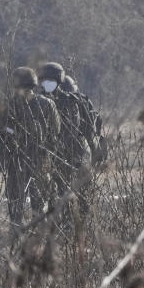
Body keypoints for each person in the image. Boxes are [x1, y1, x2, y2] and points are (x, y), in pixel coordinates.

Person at [2, 67, 59, 225]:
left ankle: (22, 239)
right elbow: (55, 132)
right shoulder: (47, 104)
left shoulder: (11, 105)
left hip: (23, 160)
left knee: (20, 206)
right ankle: (34, 239)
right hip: (31, 160)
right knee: (34, 205)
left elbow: (2, 131)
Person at [39, 62, 90, 213]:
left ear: (59, 81)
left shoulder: (69, 102)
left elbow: (71, 130)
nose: (47, 84)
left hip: (67, 156)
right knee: (49, 198)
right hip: (45, 157)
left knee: (67, 194)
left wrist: (58, 149)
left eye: (51, 81)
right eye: (44, 80)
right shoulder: (38, 101)